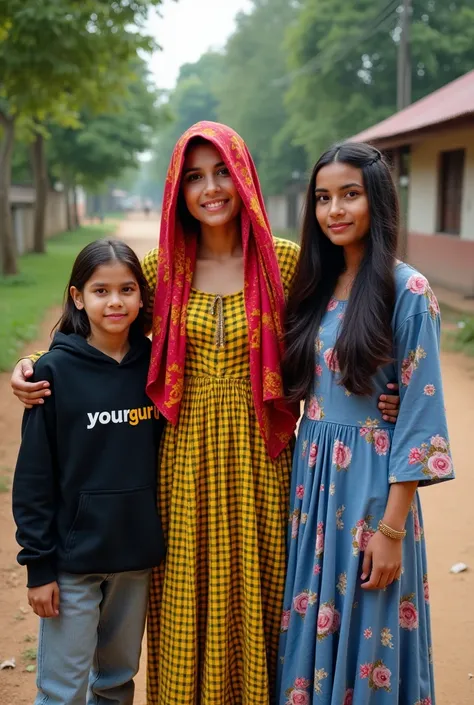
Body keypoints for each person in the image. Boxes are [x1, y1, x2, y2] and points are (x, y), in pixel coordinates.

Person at [10, 123, 400, 705]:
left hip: (263, 466)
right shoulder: (159, 267)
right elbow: (99, 324)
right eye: (194, 177)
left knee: (265, 603)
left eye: (221, 172)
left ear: (243, 177)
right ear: (177, 189)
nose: (211, 188)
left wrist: (382, 391)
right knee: (184, 608)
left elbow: (340, 329)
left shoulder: (286, 263)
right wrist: (36, 363)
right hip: (178, 467)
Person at [277, 142, 454, 705]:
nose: (335, 210)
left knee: (370, 631)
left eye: (350, 194)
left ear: (376, 199)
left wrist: (393, 529)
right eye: (324, 198)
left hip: (373, 490)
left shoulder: (408, 291)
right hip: (313, 487)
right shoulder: (311, 288)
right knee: (311, 634)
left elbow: (422, 416)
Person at [12, 239, 165, 705]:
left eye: (127, 289)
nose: (115, 302)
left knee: (117, 682)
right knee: (62, 690)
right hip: (73, 562)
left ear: (142, 297)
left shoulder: (157, 368)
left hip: (135, 558)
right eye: (101, 291)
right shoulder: (52, 374)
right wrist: (39, 567)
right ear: (78, 296)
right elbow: (34, 477)